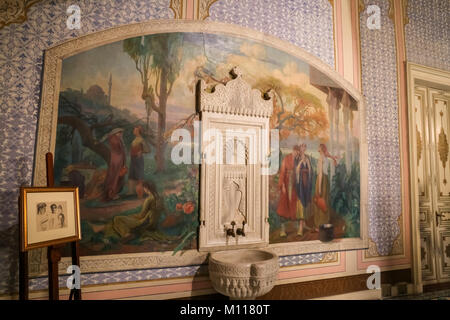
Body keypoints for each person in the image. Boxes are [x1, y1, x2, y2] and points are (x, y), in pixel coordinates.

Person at [312, 144, 338, 232]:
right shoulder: (325, 158)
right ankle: (324, 223)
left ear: (321, 149)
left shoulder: (320, 158)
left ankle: (319, 225)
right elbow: (328, 155)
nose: (317, 148)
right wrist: (334, 158)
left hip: (321, 180)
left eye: (319, 147)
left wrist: (319, 188)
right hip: (326, 180)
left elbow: (319, 174)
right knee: (324, 201)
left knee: (320, 202)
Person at [276, 145, 301, 237]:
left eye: (298, 152)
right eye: (295, 151)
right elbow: (282, 172)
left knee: (296, 206)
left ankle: (298, 227)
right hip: (286, 184)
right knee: (283, 206)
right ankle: (282, 230)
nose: (296, 153)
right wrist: (282, 185)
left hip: (295, 186)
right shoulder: (286, 158)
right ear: (293, 150)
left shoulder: (298, 160)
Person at [103, 128, 127, 201]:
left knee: (114, 176)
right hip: (118, 160)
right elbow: (120, 151)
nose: (121, 134)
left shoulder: (113, 139)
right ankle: (112, 194)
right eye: (120, 133)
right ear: (116, 133)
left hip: (114, 160)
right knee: (115, 177)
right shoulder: (116, 140)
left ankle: (111, 193)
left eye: (121, 133)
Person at [128, 126, 150, 198]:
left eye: (135, 130)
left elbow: (147, 150)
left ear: (138, 131)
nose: (134, 131)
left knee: (139, 174)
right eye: (134, 130)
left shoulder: (141, 140)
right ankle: (132, 191)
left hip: (138, 159)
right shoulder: (135, 139)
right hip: (133, 159)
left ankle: (140, 192)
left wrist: (141, 151)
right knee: (132, 174)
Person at [295, 144, 313, 236]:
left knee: (306, 200)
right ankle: (300, 226)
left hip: (306, 183)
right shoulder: (297, 157)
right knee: (301, 201)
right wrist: (301, 161)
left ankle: (304, 224)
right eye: (302, 146)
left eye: (305, 146)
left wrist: (308, 166)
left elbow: (310, 170)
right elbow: (296, 171)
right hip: (300, 183)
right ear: (300, 148)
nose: (304, 148)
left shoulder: (308, 157)